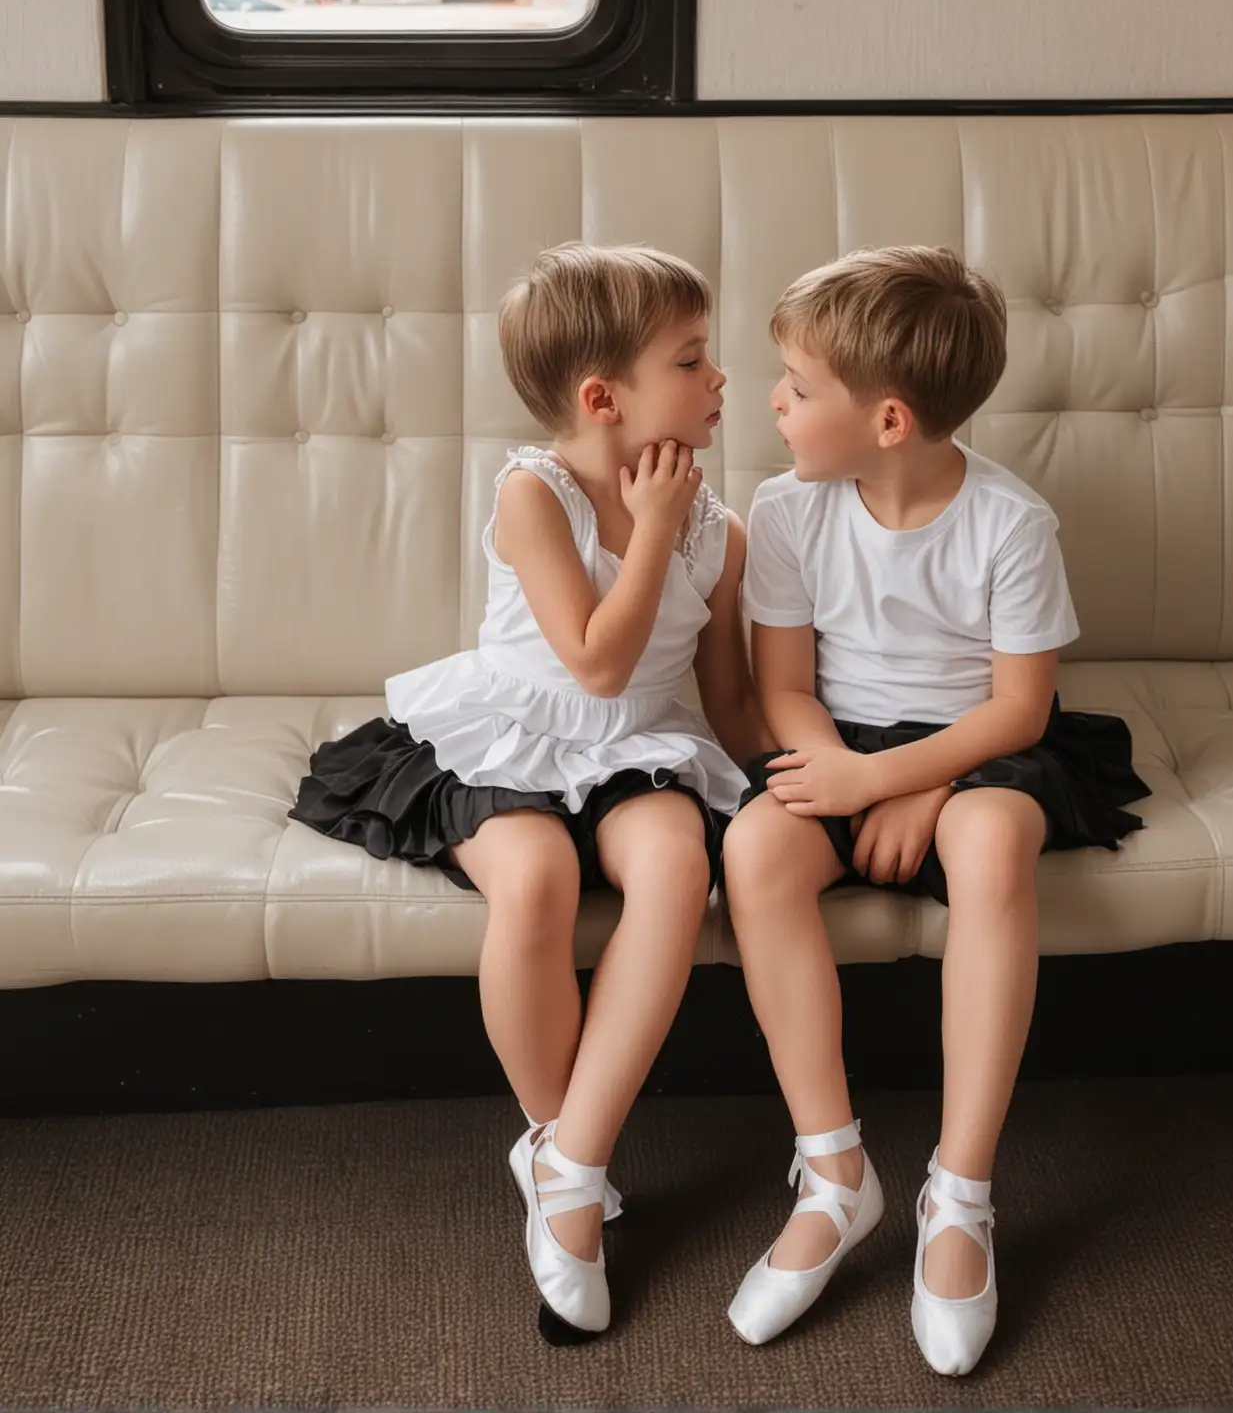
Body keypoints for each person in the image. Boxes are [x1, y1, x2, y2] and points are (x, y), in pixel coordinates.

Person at [289, 243, 770, 1344]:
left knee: (676, 865)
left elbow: (726, 700)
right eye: (692, 359)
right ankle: (561, 1143)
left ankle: (571, 1159)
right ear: (605, 400)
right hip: (508, 738)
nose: (720, 379)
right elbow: (595, 660)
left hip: (641, 746)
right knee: (539, 879)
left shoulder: (720, 530)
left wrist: (805, 773)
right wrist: (649, 531)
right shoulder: (531, 494)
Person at [721, 244, 1149, 1375]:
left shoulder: (1011, 524)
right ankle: (834, 1173)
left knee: (996, 842)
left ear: (891, 420)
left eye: (800, 389)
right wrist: (850, 776)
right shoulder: (787, 506)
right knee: (757, 847)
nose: (775, 402)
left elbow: (1019, 709)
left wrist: (914, 779)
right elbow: (783, 689)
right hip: (836, 740)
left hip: (978, 747)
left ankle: (960, 1195)